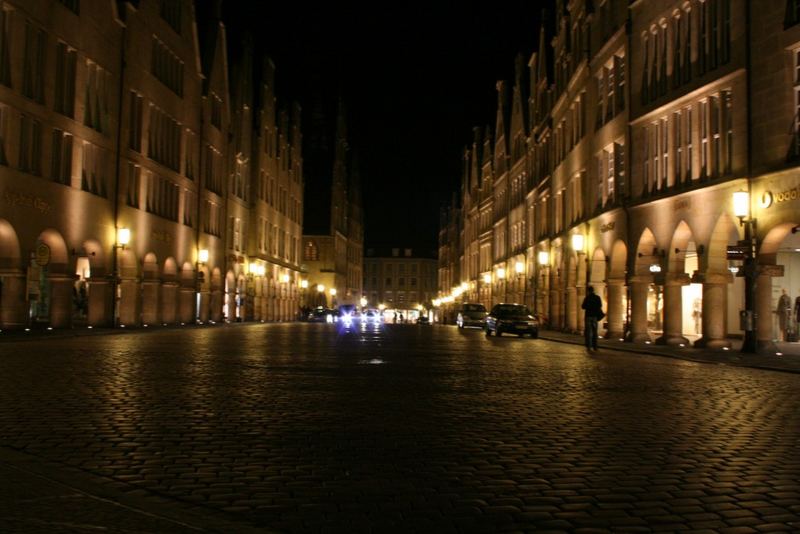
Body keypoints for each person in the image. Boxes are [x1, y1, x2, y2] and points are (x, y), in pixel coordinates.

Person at [581, 285, 604, 351]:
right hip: (595, 316)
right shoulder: (597, 297)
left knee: (588, 331)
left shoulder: (587, 298)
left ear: (588, 291)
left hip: (588, 316)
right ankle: (595, 346)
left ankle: (589, 346)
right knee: (594, 331)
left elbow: (583, 306)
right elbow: (600, 305)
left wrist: (589, 307)